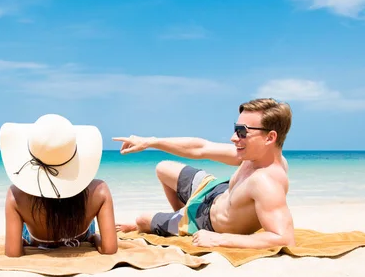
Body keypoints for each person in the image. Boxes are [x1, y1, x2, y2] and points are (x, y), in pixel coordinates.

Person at [113, 98, 295, 249]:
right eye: (235, 129)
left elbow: (284, 238)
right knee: (163, 168)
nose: (234, 138)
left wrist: (218, 239)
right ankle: (179, 215)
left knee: (141, 220)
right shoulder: (253, 155)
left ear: (270, 138)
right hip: (215, 190)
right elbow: (201, 147)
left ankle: (181, 220)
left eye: (242, 132)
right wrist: (149, 142)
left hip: (205, 220)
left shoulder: (267, 181)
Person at [0, 114, 118, 257]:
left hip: (38, 240)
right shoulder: (100, 191)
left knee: (25, 222)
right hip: (79, 236)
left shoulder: (15, 195)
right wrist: (95, 238)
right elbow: (109, 249)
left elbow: (13, 253)